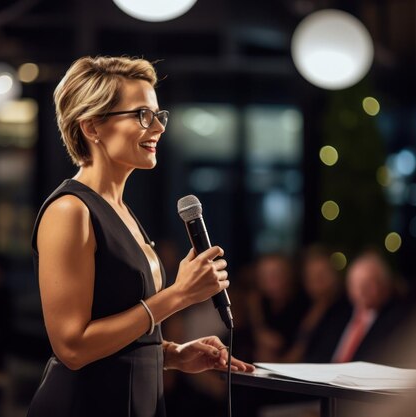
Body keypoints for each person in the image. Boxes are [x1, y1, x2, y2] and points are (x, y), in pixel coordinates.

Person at [27, 56, 254, 417]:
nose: (159, 128)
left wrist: (170, 354)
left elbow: (118, 333)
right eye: (142, 115)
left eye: (159, 116)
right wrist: (178, 295)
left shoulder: (122, 211)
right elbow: (72, 347)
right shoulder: (70, 211)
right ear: (92, 127)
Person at [305, 250, 408, 365]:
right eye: (355, 284)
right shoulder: (337, 314)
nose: (361, 290)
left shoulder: (398, 321)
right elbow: (317, 355)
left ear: (384, 283)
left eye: (367, 284)